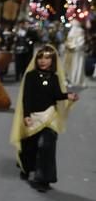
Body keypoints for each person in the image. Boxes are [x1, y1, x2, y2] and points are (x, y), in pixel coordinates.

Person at [10, 45, 79, 192]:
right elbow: (26, 97)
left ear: (53, 60)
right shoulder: (30, 76)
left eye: (47, 58)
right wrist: (27, 115)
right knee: (30, 145)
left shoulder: (54, 78)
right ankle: (27, 168)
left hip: (50, 116)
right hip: (33, 116)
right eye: (40, 57)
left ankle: (43, 179)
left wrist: (68, 96)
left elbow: (56, 95)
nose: (43, 61)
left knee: (46, 145)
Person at [64, 19, 86, 87]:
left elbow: (81, 42)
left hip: (77, 53)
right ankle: (69, 79)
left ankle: (75, 80)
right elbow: (68, 40)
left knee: (77, 65)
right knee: (70, 66)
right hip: (70, 52)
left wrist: (74, 47)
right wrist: (68, 45)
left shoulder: (80, 31)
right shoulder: (71, 31)